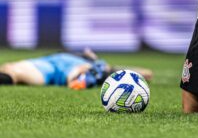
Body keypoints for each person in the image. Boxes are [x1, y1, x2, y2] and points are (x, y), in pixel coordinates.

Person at [0, 48, 153, 89]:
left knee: (80, 70)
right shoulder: (79, 55)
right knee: (9, 68)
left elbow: (147, 73)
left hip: (55, 71)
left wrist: (109, 70)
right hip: (48, 61)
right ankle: (82, 78)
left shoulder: (99, 65)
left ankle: (82, 79)